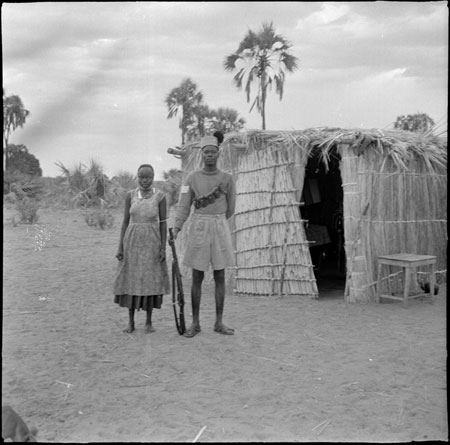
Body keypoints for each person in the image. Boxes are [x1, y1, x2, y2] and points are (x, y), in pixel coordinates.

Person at [172, 132, 236, 338]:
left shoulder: (227, 179)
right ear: (201, 154)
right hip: (199, 226)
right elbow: (184, 206)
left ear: (218, 154)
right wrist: (177, 227)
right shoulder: (192, 178)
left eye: (213, 152)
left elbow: (231, 208)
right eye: (206, 152)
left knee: (220, 275)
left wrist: (215, 220)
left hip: (219, 226)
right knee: (197, 276)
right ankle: (195, 323)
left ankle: (219, 322)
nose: (209, 156)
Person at [113, 164, 169, 333]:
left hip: (152, 242)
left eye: (149, 177)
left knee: (149, 280)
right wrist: (120, 247)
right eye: (142, 177)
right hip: (132, 243)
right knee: (131, 279)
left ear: (153, 178)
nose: (145, 181)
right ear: (137, 177)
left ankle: (148, 322)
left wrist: (163, 248)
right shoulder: (130, 195)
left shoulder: (160, 196)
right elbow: (124, 222)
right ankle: (130, 323)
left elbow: (163, 224)